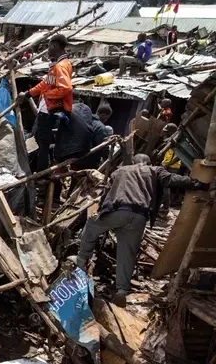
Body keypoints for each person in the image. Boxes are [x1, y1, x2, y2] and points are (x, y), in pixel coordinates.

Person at [76, 154, 208, 307]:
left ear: (133, 162)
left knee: (92, 225)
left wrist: (102, 214)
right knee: (127, 253)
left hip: (118, 210)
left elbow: (106, 194)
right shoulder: (155, 170)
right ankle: (121, 291)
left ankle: (81, 262)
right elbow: (173, 180)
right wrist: (199, 184)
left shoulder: (119, 171)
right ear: (149, 162)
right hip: (139, 216)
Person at [20, 33, 73, 172]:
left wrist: (48, 95)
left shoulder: (60, 67)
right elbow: (45, 84)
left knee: (42, 143)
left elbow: (66, 87)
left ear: (54, 46)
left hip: (48, 109)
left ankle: (41, 172)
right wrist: (28, 93)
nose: (48, 49)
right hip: (50, 108)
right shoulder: (61, 64)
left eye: (49, 46)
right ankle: (39, 167)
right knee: (41, 139)